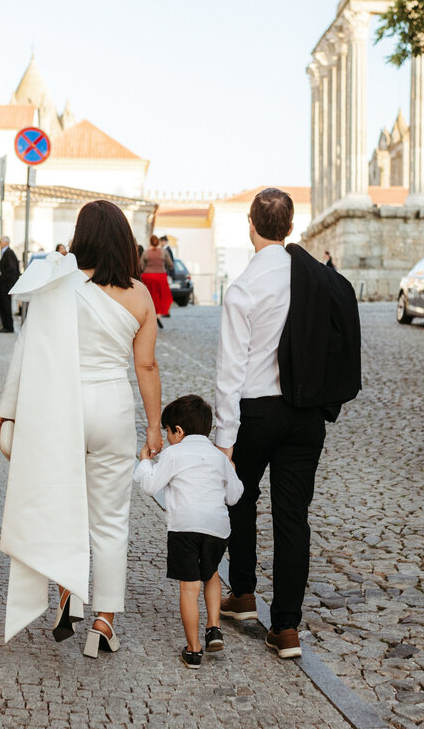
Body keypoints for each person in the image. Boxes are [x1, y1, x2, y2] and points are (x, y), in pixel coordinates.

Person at [0, 200, 162, 659]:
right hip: (111, 407)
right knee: (111, 519)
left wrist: (9, 408)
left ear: (82, 236)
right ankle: (104, 622)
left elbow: (28, 349)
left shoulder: (57, 284)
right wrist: (153, 427)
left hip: (61, 408)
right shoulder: (139, 296)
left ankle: (70, 593)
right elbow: (145, 365)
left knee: (63, 502)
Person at [214, 188, 320, 660]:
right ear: (290, 228)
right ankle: (287, 628)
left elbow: (230, 370)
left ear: (251, 226)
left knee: (240, 496)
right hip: (305, 413)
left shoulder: (243, 288)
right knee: (292, 516)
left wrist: (224, 437)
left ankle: (242, 592)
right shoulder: (313, 280)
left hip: (257, 409)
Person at [134, 395, 243, 670]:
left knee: (189, 586)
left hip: (185, 527)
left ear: (178, 431)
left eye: (168, 432)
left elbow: (150, 486)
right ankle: (214, 626)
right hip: (217, 528)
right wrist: (232, 470)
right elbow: (234, 496)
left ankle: (194, 650)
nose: (168, 438)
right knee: (212, 574)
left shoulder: (173, 454)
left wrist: (145, 462)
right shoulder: (219, 457)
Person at [141, 235, 173, 319]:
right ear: (158, 242)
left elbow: (141, 266)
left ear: (150, 242)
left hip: (148, 276)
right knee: (162, 295)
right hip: (161, 276)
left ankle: (149, 311)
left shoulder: (146, 252)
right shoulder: (164, 252)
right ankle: (159, 313)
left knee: (150, 294)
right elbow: (170, 264)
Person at [0, 236, 20, 333]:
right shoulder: (5, 252)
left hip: (6, 284)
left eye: (0, 241)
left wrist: (3, 277)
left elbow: (12, 269)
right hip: (4, 283)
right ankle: (5, 326)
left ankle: (8, 327)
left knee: (6, 305)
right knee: (3, 304)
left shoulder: (9, 253)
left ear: (6, 242)